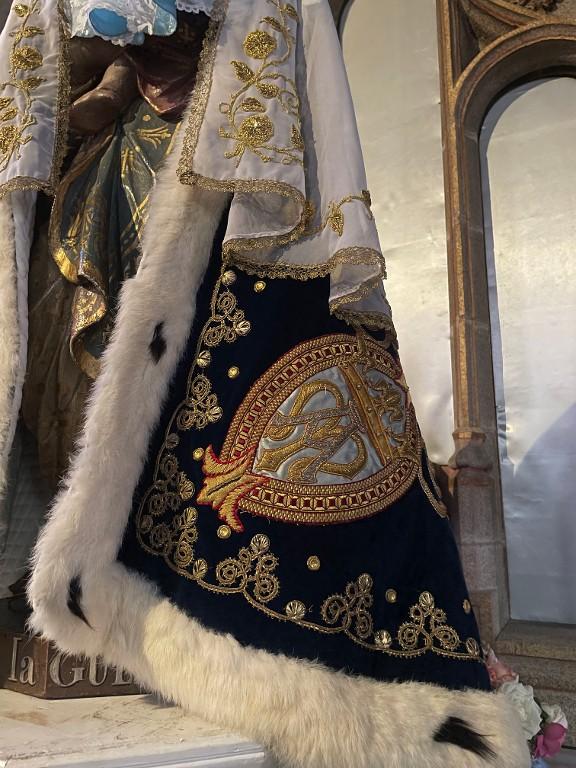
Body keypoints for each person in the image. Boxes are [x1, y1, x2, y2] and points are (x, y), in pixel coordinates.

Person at [0, 0, 529, 765]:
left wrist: (165, 29)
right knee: (71, 340)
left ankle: (126, 579)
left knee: (169, 358)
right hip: (101, 158)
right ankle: (68, 567)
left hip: (207, 164)